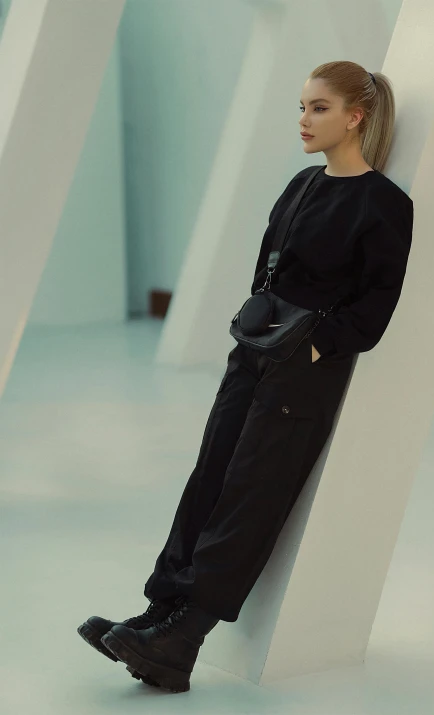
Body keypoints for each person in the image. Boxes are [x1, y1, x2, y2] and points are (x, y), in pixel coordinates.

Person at [77, 60, 414, 694]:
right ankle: (158, 612)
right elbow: (269, 268)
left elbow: (376, 304)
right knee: (208, 479)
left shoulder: (384, 204)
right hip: (253, 352)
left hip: (304, 370)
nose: (304, 120)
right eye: (302, 106)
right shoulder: (300, 185)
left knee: (249, 497)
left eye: (318, 107)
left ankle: (184, 639)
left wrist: (317, 349)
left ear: (355, 116)